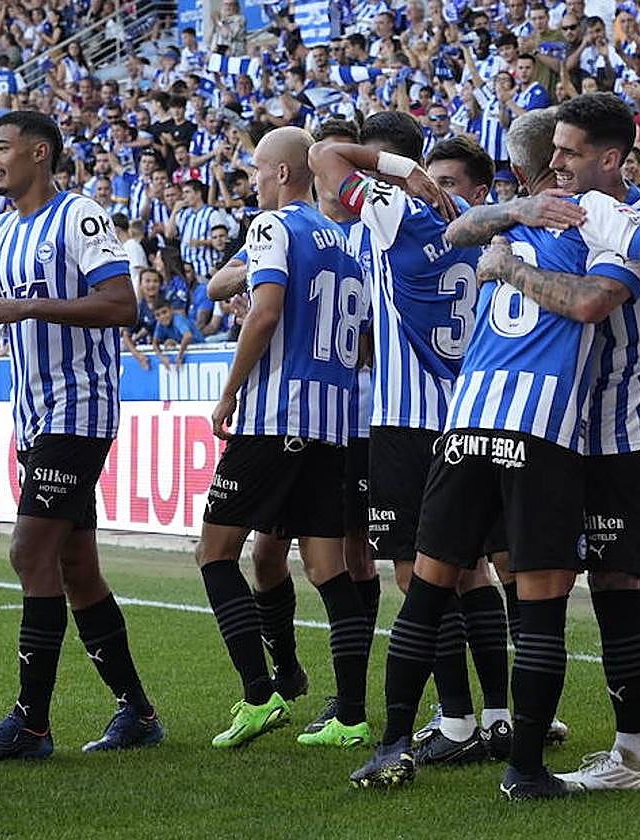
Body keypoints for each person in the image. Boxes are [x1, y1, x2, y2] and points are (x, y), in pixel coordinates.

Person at [361, 96, 640, 799]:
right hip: (553, 433)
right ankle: (544, 763)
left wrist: (506, 259)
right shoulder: (572, 213)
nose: (558, 165)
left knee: (606, 581)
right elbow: (481, 234)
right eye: (557, 154)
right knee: (564, 597)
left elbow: (602, 291)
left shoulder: (589, 215)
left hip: (544, 424)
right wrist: (512, 218)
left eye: (569, 153)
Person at [309, 113, 517, 767]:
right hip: (470, 414)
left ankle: (454, 721)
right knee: (473, 569)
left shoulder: (398, 209)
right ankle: (501, 717)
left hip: (408, 421)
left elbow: (321, 155)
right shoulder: (473, 218)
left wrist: (398, 171)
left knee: (417, 573)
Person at [0, 111, 164, 760]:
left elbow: (122, 305)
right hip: (33, 416)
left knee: (27, 552)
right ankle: (137, 711)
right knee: (76, 568)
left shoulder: (79, 216)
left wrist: (28, 307)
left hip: (79, 412)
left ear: (39, 153)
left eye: (1, 147)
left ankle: (31, 724)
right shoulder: (2, 229)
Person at [195, 126, 370, 750]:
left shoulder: (274, 228)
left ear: (287, 175)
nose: (254, 182)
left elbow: (265, 312)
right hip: (336, 424)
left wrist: (230, 390)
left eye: (259, 171)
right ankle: (351, 715)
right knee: (328, 569)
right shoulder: (350, 243)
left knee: (214, 555)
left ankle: (258, 694)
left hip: (277, 421)